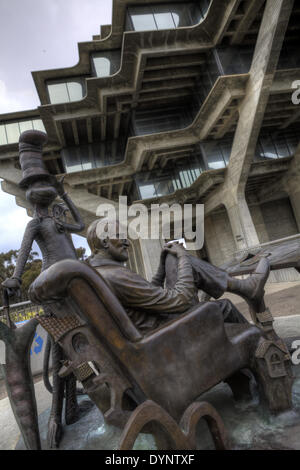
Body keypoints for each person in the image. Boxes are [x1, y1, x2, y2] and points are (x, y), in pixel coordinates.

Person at [86, 219, 270, 335]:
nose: (127, 242)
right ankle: (258, 347)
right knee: (223, 307)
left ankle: (245, 288)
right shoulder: (116, 275)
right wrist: (182, 256)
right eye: (120, 236)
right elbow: (181, 300)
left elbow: (147, 298)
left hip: (158, 323)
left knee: (171, 258)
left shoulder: (103, 272)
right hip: (167, 333)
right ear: (104, 242)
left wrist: (161, 268)